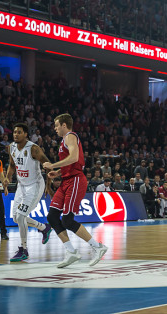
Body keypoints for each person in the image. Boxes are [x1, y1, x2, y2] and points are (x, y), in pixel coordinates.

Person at [43, 114, 108, 268]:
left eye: (57, 125)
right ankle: (71, 252)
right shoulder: (63, 140)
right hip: (66, 180)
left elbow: (74, 158)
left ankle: (98, 247)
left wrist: (52, 165)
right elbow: (70, 162)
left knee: (67, 220)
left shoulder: (70, 136)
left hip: (76, 180)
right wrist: (58, 172)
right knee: (52, 216)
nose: (55, 128)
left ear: (64, 125)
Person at [4, 123, 53, 262]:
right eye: (14, 132)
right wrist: (8, 178)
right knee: (15, 218)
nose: (15, 134)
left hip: (35, 185)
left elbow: (48, 165)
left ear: (26, 134)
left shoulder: (33, 148)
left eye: (19, 132)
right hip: (21, 185)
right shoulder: (12, 147)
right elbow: (12, 165)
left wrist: (48, 186)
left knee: (20, 216)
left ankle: (24, 249)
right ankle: (44, 228)